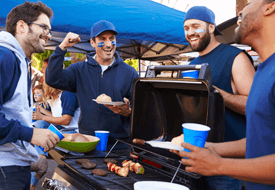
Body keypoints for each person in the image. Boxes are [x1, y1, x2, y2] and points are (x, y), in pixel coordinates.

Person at [171, 0, 275, 189]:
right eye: (186, 27)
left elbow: (253, 109)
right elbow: (258, 134)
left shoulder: (234, 56)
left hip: (231, 168)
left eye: (195, 26)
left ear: (211, 27)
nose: (190, 32)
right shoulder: (190, 63)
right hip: (200, 157)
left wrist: (217, 94)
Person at [45, 20, 139, 150]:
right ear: (92, 42)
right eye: (102, 39)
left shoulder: (130, 73)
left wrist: (129, 111)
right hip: (87, 143)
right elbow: (52, 79)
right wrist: (62, 47)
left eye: (111, 39)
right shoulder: (79, 70)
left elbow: (141, 111)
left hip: (119, 146)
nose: (108, 44)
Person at [0, 2, 60, 190]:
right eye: (43, 27)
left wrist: (30, 159)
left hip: (14, 168)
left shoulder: (20, 61)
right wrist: (32, 134)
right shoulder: (5, 57)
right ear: (21, 26)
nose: (48, 35)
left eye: (49, 30)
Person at [31, 84, 80, 190]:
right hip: (62, 129)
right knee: (39, 125)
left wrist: (42, 117)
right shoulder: (54, 98)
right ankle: (41, 159)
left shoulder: (68, 94)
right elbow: (56, 117)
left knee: (40, 126)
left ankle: (41, 159)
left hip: (72, 132)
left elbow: (66, 120)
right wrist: (42, 113)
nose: (42, 91)